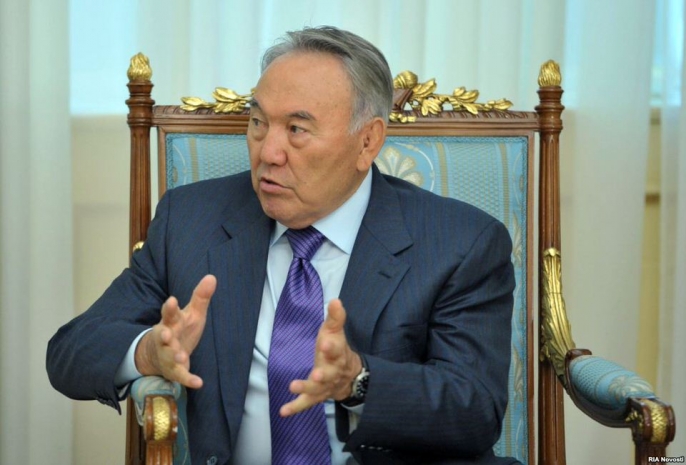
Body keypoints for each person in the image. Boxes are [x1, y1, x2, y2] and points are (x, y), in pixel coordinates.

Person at [47, 26, 519, 465]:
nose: (268, 153)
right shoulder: (191, 220)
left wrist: (357, 381)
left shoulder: (460, 242)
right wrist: (148, 353)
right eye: (257, 122)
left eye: (296, 129)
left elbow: (475, 410)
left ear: (367, 142)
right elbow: (70, 351)